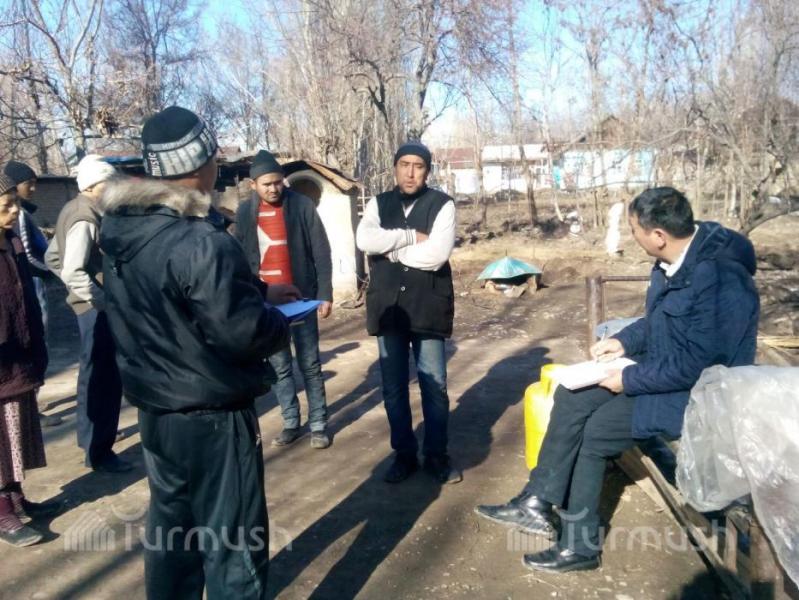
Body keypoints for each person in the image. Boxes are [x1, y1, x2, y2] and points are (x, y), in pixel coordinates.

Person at [475, 187, 760, 573]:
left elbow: (700, 364)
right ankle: (537, 501)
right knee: (573, 394)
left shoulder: (723, 280)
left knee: (596, 435)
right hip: (662, 374)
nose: (632, 236)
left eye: (634, 229)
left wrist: (629, 379)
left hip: (700, 394)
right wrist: (623, 341)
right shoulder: (673, 262)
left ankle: (579, 547)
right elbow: (659, 322)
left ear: (658, 235)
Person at [99, 106, 294, 599]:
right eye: (213, 157)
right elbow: (243, 334)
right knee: (234, 546)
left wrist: (257, 290)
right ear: (200, 164)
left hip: (157, 413)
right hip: (213, 418)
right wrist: (280, 322)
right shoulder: (201, 239)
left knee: (173, 540)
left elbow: (172, 290)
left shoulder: (124, 230)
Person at [355, 141, 461, 484]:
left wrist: (393, 252)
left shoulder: (442, 205)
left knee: (435, 386)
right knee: (393, 388)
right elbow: (365, 241)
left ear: (427, 171)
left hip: (427, 307)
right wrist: (410, 237)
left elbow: (437, 255)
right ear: (395, 168)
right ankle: (404, 455)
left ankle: (436, 455)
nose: (411, 172)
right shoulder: (378, 203)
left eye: (418, 166)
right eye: (405, 165)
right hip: (388, 309)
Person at [235, 150, 334, 449]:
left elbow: (321, 251)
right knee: (280, 367)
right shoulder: (244, 212)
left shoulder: (301, 206)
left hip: (301, 299)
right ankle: (291, 422)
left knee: (310, 364)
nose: (274, 189)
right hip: (266, 304)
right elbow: (241, 257)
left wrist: (324, 295)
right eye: (266, 184)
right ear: (253, 185)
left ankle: (318, 424)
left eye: (278, 182)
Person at [45, 155, 130, 473]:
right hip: (96, 309)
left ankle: (90, 439)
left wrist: (76, 291)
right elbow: (72, 269)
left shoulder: (72, 208)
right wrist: (100, 298)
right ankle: (100, 452)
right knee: (104, 380)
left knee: (92, 375)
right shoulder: (86, 216)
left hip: (88, 307)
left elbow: (52, 257)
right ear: (94, 185)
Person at [0, 174, 59, 547]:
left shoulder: (12, 242)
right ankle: (2, 511)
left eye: (15, 204)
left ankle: (16, 497)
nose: (13, 212)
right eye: (6, 206)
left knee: (16, 433)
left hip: (18, 357)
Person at [4, 161, 62, 427]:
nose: (33, 188)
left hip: (30, 283)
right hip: (31, 283)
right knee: (29, 344)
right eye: (29, 183)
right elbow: (28, 256)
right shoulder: (18, 219)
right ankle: (31, 406)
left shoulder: (21, 215)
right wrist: (50, 271)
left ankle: (31, 401)